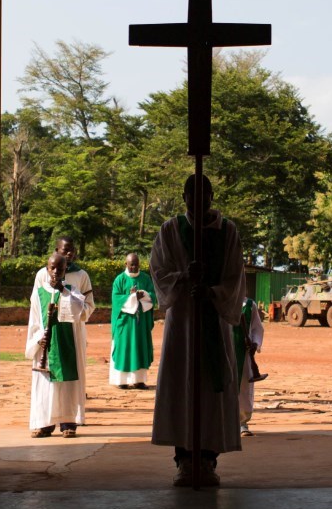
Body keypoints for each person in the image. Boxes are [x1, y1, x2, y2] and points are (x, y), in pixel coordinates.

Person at [150, 174, 244, 488]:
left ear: (212, 196)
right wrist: (184, 277)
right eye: (193, 194)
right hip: (183, 324)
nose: (199, 200)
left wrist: (213, 292)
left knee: (210, 389)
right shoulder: (170, 230)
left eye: (205, 193)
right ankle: (184, 460)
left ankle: (208, 459)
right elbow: (159, 271)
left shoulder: (227, 232)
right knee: (182, 387)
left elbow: (235, 278)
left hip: (213, 320)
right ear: (185, 196)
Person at [25, 251, 90, 438]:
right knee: (46, 386)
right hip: (46, 346)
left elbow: (80, 312)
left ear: (64, 270)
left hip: (68, 344)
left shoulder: (72, 290)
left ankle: (68, 423)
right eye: (52, 268)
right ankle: (45, 424)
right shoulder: (38, 294)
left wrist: (63, 291)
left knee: (68, 385)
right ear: (47, 268)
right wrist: (38, 338)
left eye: (59, 269)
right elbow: (34, 321)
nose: (55, 272)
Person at [109, 251, 156, 389]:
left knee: (140, 348)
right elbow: (116, 299)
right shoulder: (119, 279)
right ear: (126, 264)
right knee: (124, 349)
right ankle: (121, 381)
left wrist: (145, 295)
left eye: (136, 265)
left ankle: (139, 380)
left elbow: (153, 295)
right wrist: (131, 297)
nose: (134, 267)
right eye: (131, 265)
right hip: (125, 323)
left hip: (140, 323)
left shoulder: (146, 278)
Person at [231, 280, 264, 437]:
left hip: (244, 353)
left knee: (244, 387)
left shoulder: (250, 305)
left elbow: (257, 328)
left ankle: (242, 422)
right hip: (226, 351)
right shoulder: (223, 304)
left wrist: (255, 344)